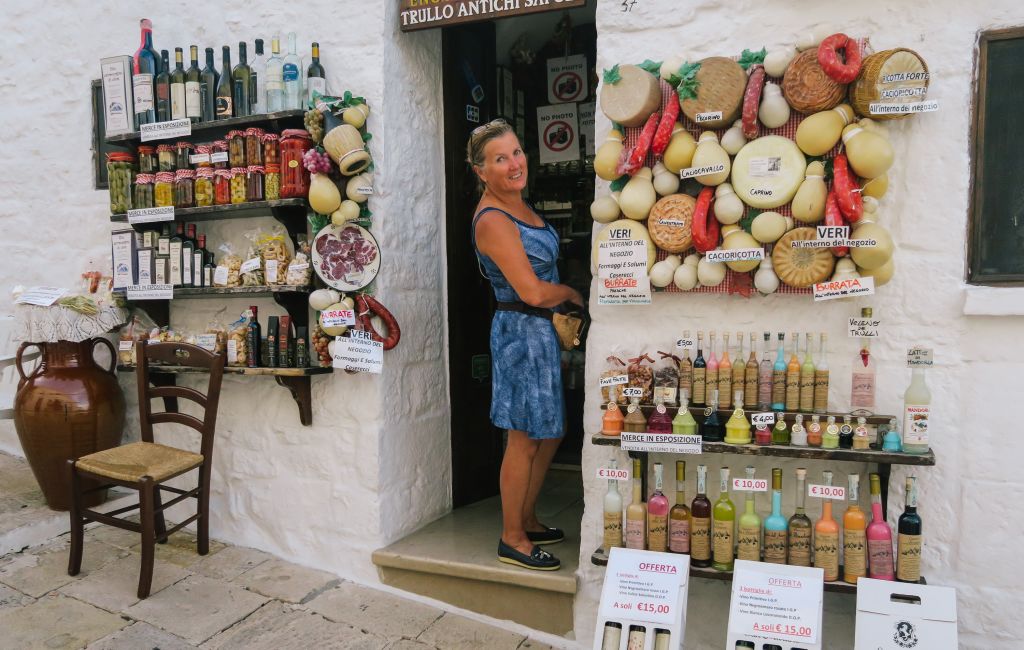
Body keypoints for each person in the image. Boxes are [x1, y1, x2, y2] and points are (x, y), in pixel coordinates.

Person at [468, 119, 583, 571]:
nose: (514, 164)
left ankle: (528, 518)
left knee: (549, 431)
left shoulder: (520, 204)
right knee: (523, 438)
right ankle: (511, 538)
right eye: (501, 159)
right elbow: (532, 291)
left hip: (541, 332)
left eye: (516, 152)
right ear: (481, 171)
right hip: (520, 331)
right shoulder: (493, 218)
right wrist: (573, 294)